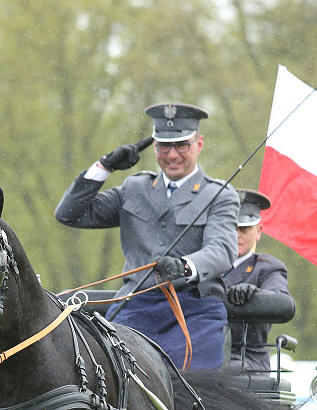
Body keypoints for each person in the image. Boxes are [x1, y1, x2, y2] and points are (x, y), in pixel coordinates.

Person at [55, 102, 239, 370]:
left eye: (181, 145)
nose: (172, 155)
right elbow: (70, 214)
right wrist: (104, 167)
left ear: (199, 144)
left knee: (192, 384)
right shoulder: (135, 187)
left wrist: (185, 265)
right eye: (164, 146)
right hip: (138, 306)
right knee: (111, 375)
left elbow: (222, 250)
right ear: (154, 147)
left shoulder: (219, 194)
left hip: (195, 309)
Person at [223, 189, 296, 372]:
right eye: (231, 228)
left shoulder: (267, 268)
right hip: (198, 355)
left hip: (246, 358)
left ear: (258, 231)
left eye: (244, 229)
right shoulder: (202, 266)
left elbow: (279, 299)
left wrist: (254, 294)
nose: (237, 235)